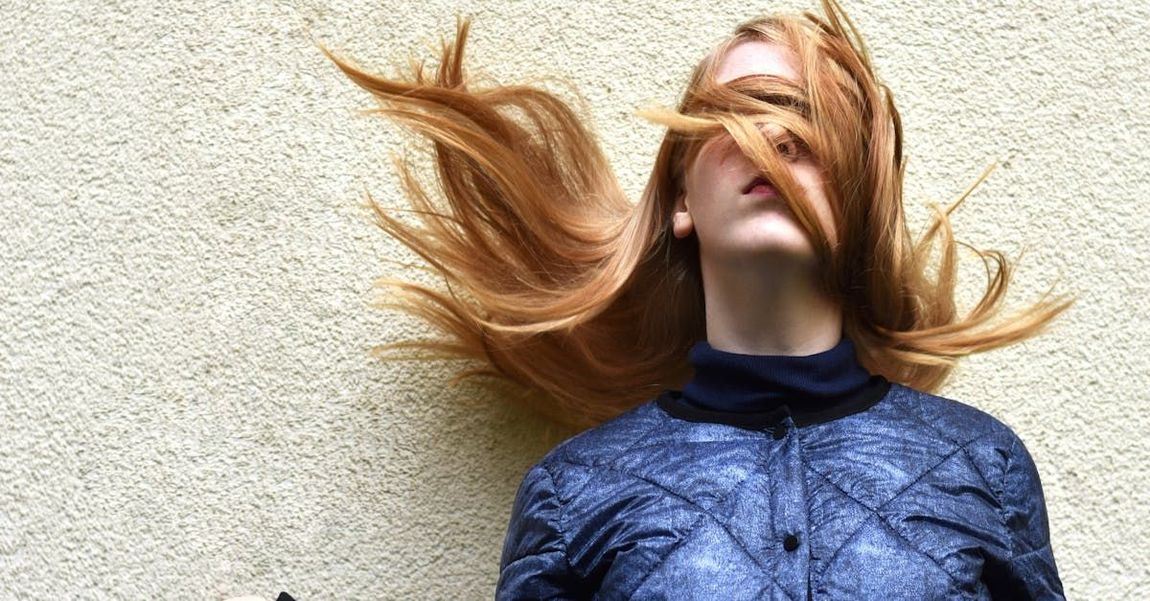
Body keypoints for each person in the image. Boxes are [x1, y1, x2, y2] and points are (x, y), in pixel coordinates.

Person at [321, 0, 1074, 598]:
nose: (775, 136)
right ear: (682, 197)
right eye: (740, 112)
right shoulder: (571, 491)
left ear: (855, 196)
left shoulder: (983, 465)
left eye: (810, 118)